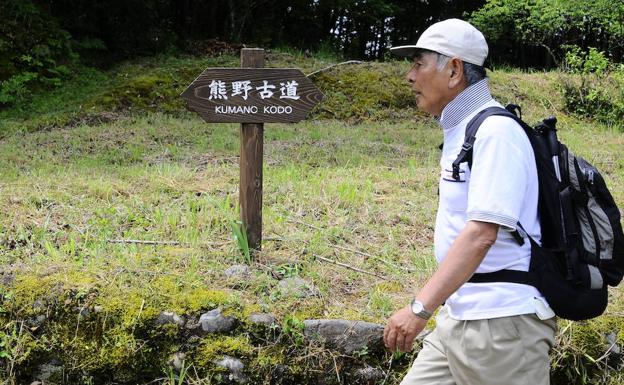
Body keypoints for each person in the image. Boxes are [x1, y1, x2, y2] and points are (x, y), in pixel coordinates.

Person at [384, 19, 557, 385]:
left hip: (502, 328)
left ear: (454, 70)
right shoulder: (463, 130)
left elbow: (481, 234)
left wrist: (420, 308)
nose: (409, 76)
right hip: (460, 316)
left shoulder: (496, 132)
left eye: (418, 64)